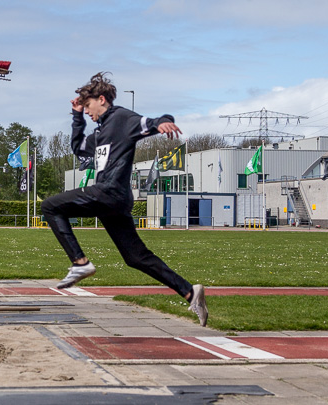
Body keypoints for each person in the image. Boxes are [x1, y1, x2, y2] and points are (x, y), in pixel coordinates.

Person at [41, 72, 208, 327]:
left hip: (108, 193)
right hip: (114, 202)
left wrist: (165, 122)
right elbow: (77, 147)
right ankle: (189, 291)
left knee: (50, 206)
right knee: (136, 257)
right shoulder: (101, 132)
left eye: (88, 106)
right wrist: (76, 116)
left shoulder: (121, 118)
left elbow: (153, 121)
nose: (87, 112)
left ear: (102, 99)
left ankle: (80, 263)